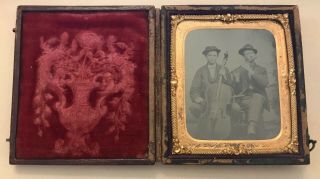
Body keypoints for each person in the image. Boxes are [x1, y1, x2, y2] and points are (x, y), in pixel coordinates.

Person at [189, 46, 233, 139]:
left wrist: (224, 76)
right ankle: (204, 125)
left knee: (236, 109)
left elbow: (232, 86)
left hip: (222, 103)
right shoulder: (200, 71)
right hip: (206, 102)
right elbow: (194, 89)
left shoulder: (224, 69)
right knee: (193, 107)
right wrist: (198, 98)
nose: (212, 57)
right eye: (210, 55)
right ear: (206, 56)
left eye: (214, 55)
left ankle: (230, 130)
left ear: (217, 57)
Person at [230, 44, 269, 138]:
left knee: (257, 97)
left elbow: (264, 83)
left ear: (255, 55)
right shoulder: (238, 70)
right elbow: (235, 92)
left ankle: (251, 126)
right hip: (244, 99)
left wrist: (252, 73)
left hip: (258, 98)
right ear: (244, 57)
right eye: (247, 54)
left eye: (252, 53)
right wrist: (236, 80)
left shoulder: (261, 69)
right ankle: (251, 131)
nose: (250, 55)